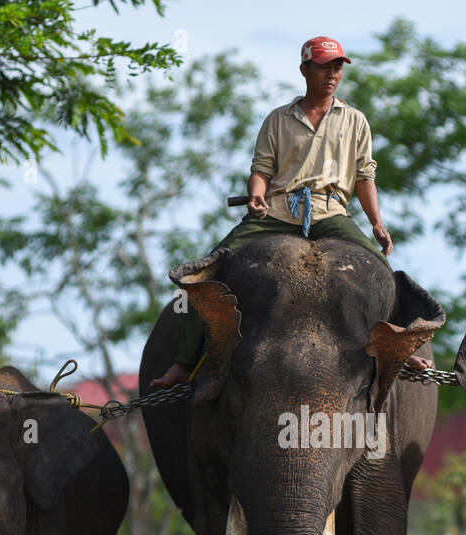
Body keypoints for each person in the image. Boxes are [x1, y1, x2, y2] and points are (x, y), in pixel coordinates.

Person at [151, 36, 433, 388]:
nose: (332, 74)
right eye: (324, 66)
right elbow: (261, 170)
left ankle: (399, 346)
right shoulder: (277, 119)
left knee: (382, 272)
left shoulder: (355, 120)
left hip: (331, 213)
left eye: (337, 67)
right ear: (304, 69)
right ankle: (183, 362)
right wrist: (256, 196)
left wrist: (377, 223)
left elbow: (364, 176)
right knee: (210, 269)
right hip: (279, 211)